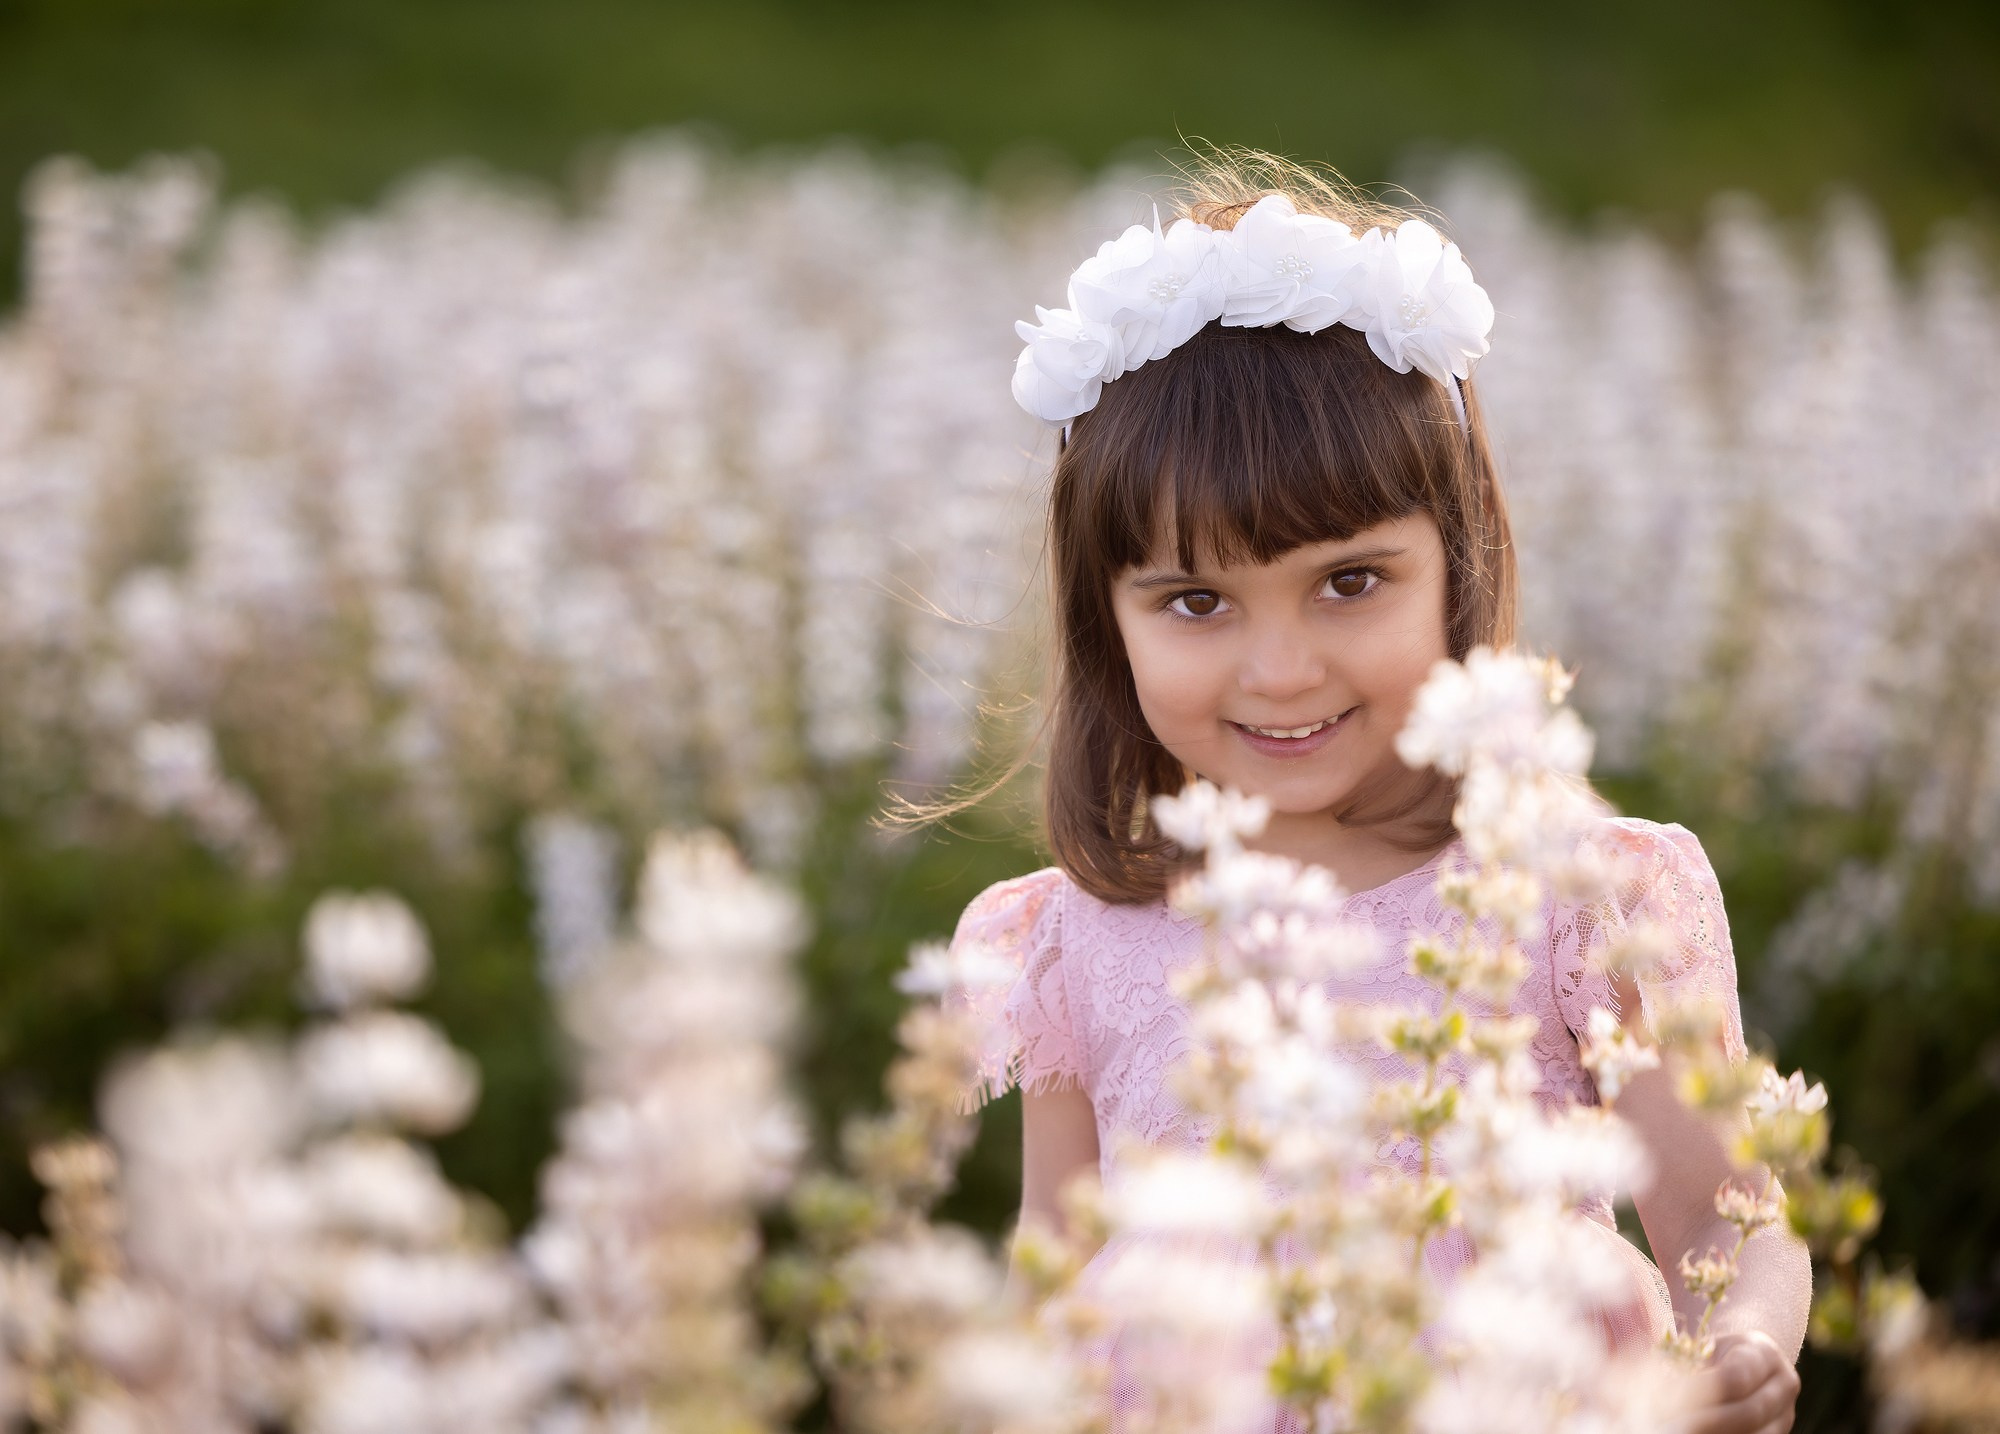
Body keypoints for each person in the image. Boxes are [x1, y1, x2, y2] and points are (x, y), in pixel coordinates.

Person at [947, 151, 1810, 1433]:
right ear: (1103, 625)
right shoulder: (1081, 934)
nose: (1282, 667)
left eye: (1349, 582)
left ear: (1456, 566)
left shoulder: (1576, 895)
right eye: (1195, 602)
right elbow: (1054, 1278)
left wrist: (1741, 1342)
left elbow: (1726, 1222)